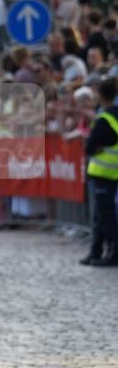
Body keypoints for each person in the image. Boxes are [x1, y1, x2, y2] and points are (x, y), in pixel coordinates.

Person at [80, 77, 118, 267]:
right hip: (111, 172)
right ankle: (96, 251)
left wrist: (95, 147)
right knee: (100, 215)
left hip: (103, 172)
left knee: (105, 216)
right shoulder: (114, 115)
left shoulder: (104, 119)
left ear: (100, 96)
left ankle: (113, 253)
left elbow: (90, 146)